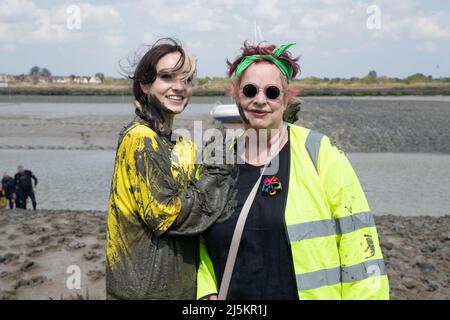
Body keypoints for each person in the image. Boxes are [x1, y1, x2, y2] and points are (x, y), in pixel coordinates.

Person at [197, 42, 390, 300]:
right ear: (236, 96)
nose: (260, 100)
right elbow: (200, 242)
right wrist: (206, 290)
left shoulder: (320, 153)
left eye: (272, 92)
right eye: (250, 90)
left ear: (286, 99)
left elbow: (359, 243)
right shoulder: (219, 163)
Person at [106, 38, 236, 300]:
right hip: (142, 292)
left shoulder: (180, 144)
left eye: (187, 80)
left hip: (181, 290)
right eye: (167, 77)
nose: (179, 87)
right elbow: (168, 214)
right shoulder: (139, 138)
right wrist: (218, 172)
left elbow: (201, 217)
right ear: (145, 83)